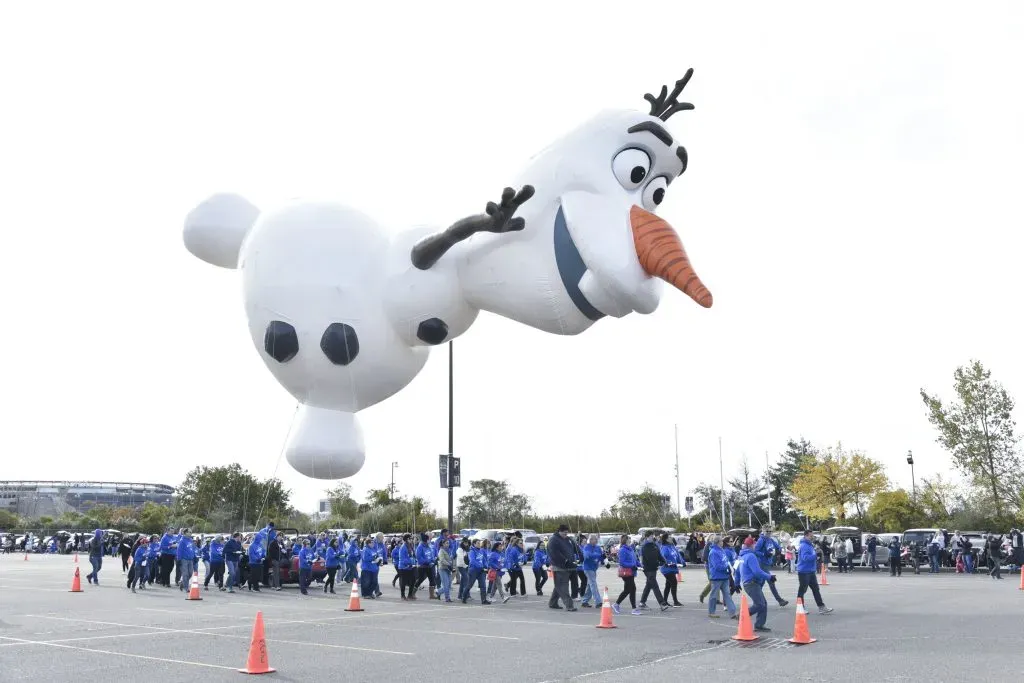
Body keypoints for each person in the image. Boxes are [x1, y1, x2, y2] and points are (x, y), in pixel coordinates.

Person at [738, 536, 774, 632]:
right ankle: (743, 615)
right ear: (751, 545)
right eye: (754, 543)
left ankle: (759, 625)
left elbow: (737, 571)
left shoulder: (742, 556)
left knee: (763, 603)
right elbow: (757, 572)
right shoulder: (751, 556)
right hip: (752, 583)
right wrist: (769, 577)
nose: (755, 545)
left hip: (748, 583)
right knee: (760, 604)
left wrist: (737, 583)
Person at [795, 530, 833, 614]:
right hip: (804, 571)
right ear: (805, 536)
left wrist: (815, 555)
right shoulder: (804, 546)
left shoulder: (809, 545)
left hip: (810, 571)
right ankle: (800, 608)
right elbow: (805, 558)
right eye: (810, 536)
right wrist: (815, 555)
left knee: (816, 589)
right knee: (802, 590)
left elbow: (810, 556)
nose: (812, 537)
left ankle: (821, 607)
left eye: (812, 536)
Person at [546, 524, 577, 611]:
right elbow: (554, 554)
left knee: (558, 586)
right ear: (559, 531)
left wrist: (577, 557)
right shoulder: (553, 540)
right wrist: (566, 561)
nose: (565, 535)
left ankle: (553, 603)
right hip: (558, 566)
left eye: (567, 533)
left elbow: (573, 549)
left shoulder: (567, 539)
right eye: (564, 533)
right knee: (563, 586)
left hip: (568, 566)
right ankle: (569, 605)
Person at [706, 535, 737, 619]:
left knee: (727, 595)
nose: (722, 542)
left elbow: (726, 561)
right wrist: (727, 568)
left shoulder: (721, 550)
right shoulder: (713, 552)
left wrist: (730, 567)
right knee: (714, 595)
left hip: (724, 577)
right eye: (721, 541)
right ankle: (711, 612)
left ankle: (732, 613)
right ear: (718, 542)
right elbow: (717, 566)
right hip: (716, 577)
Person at [638, 530, 670, 612]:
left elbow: (659, 555)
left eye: (653, 536)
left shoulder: (654, 545)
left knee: (649, 585)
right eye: (651, 536)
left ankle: (642, 602)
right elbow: (650, 558)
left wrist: (663, 561)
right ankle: (662, 603)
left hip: (653, 569)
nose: (653, 537)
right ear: (647, 537)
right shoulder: (645, 546)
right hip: (648, 569)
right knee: (655, 586)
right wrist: (658, 563)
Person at [612, 534, 640, 616]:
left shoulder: (630, 549)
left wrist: (640, 565)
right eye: (629, 539)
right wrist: (633, 566)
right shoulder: (622, 550)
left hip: (631, 572)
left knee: (628, 589)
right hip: (626, 572)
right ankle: (633, 608)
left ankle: (616, 604)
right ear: (625, 540)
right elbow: (622, 562)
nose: (630, 540)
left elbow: (634, 559)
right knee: (632, 589)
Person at [580, 533, 605, 608]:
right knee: (593, 583)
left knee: (590, 584)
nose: (596, 540)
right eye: (594, 539)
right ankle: (598, 601)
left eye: (596, 539)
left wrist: (603, 559)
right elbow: (587, 556)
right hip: (587, 568)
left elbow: (601, 556)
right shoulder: (586, 547)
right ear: (590, 540)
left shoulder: (598, 548)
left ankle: (584, 601)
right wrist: (598, 555)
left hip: (594, 568)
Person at [659, 534, 684, 607]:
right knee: (674, 583)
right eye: (669, 537)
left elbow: (677, 555)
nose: (671, 538)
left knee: (668, 584)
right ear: (666, 539)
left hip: (672, 568)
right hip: (666, 569)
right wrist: (669, 563)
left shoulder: (672, 546)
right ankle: (675, 602)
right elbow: (663, 558)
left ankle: (665, 601)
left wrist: (682, 562)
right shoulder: (664, 548)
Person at [463, 539, 490, 605]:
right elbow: (472, 561)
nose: (479, 544)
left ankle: (483, 600)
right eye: (477, 543)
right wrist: (481, 567)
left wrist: (486, 567)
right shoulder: (471, 551)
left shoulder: (481, 551)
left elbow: (484, 560)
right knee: (470, 585)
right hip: (473, 570)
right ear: (474, 544)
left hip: (481, 571)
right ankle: (464, 597)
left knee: (483, 585)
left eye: (479, 543)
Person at [397, 534, 418, 600]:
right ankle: (402, 595)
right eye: (410, 538)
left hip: (411, 566)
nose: (411, 540)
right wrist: (409, 563)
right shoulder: (403, 547)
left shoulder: (411, 546)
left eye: (411, 538)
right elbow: (402, 558)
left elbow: (413, 556)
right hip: (404, 567)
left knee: (413, 580)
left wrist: (415, 561)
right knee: (404, 582)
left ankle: (410, 595)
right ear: (406, 539)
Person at [436, 537, 454, 602]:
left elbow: (450, 559)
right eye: (446, 543)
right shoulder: (441, 551)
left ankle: (438, 592)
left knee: (449, 585)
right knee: (446, 585)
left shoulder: (448, 550)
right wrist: (449, 564)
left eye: (448, 543)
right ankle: (447, 598)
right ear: (443, 544)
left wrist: (451, 565)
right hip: (442, 569)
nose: (448, 544)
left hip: (448, 569)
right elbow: (442, 560)